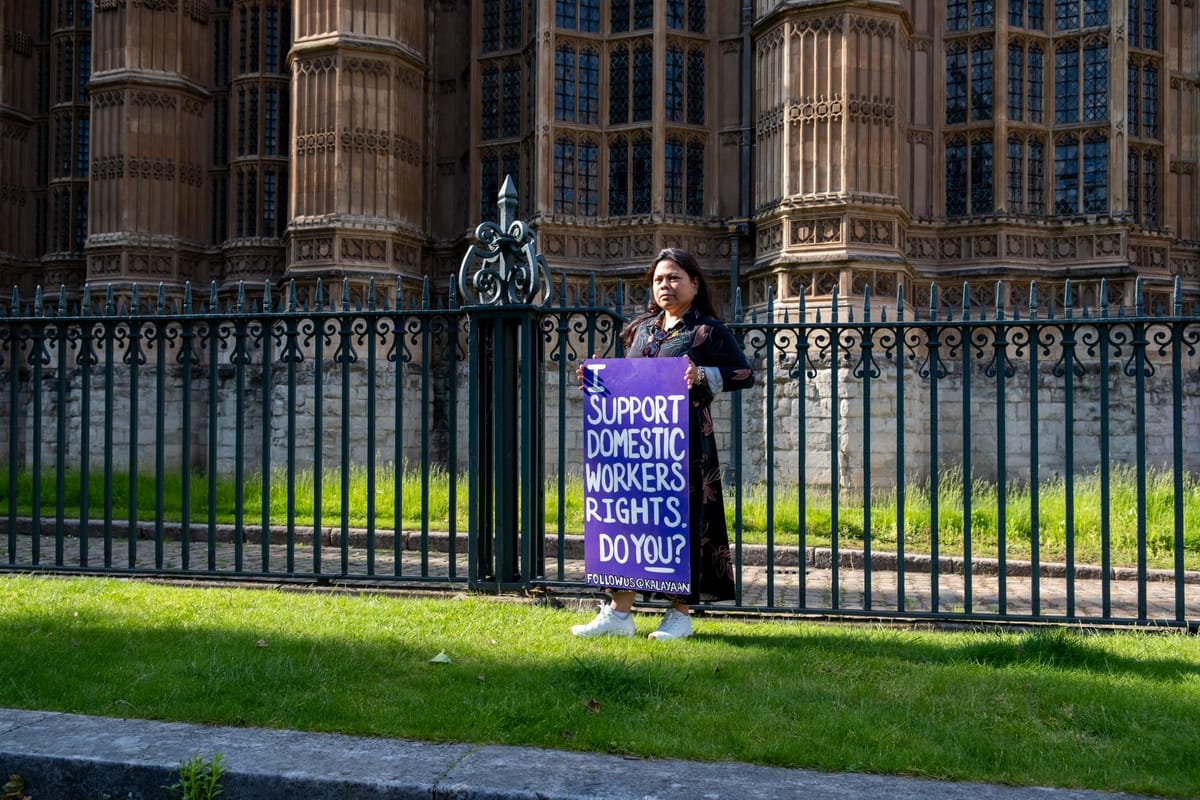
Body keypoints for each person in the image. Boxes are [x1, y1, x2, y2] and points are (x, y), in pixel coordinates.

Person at [572, 248, 754, 641]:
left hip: (686, 445)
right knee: (630, 521)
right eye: (658, 280)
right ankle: (619, 614)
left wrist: (702, 374)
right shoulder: (640, 329)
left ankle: (680, 614)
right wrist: (597, 376)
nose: (665, 286)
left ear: (694, 283)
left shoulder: (706, 331)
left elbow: (744, 373)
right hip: (638, 446)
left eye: (673, 278)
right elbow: (630, 379)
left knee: (683, 524)